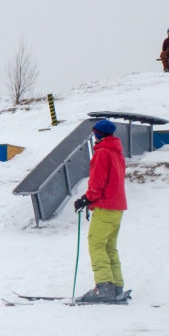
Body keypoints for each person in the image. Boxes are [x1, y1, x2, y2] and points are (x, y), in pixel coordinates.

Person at [72, 119, 128, 302]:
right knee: (109, 246)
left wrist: (85, 199)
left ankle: (104, 286)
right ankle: (116, 285)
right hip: (117, 207)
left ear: (99, 134)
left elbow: (97, 182)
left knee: (96, 244)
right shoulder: (117, 153)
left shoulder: (103, 153)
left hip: (105, 206)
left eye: (95, 132)